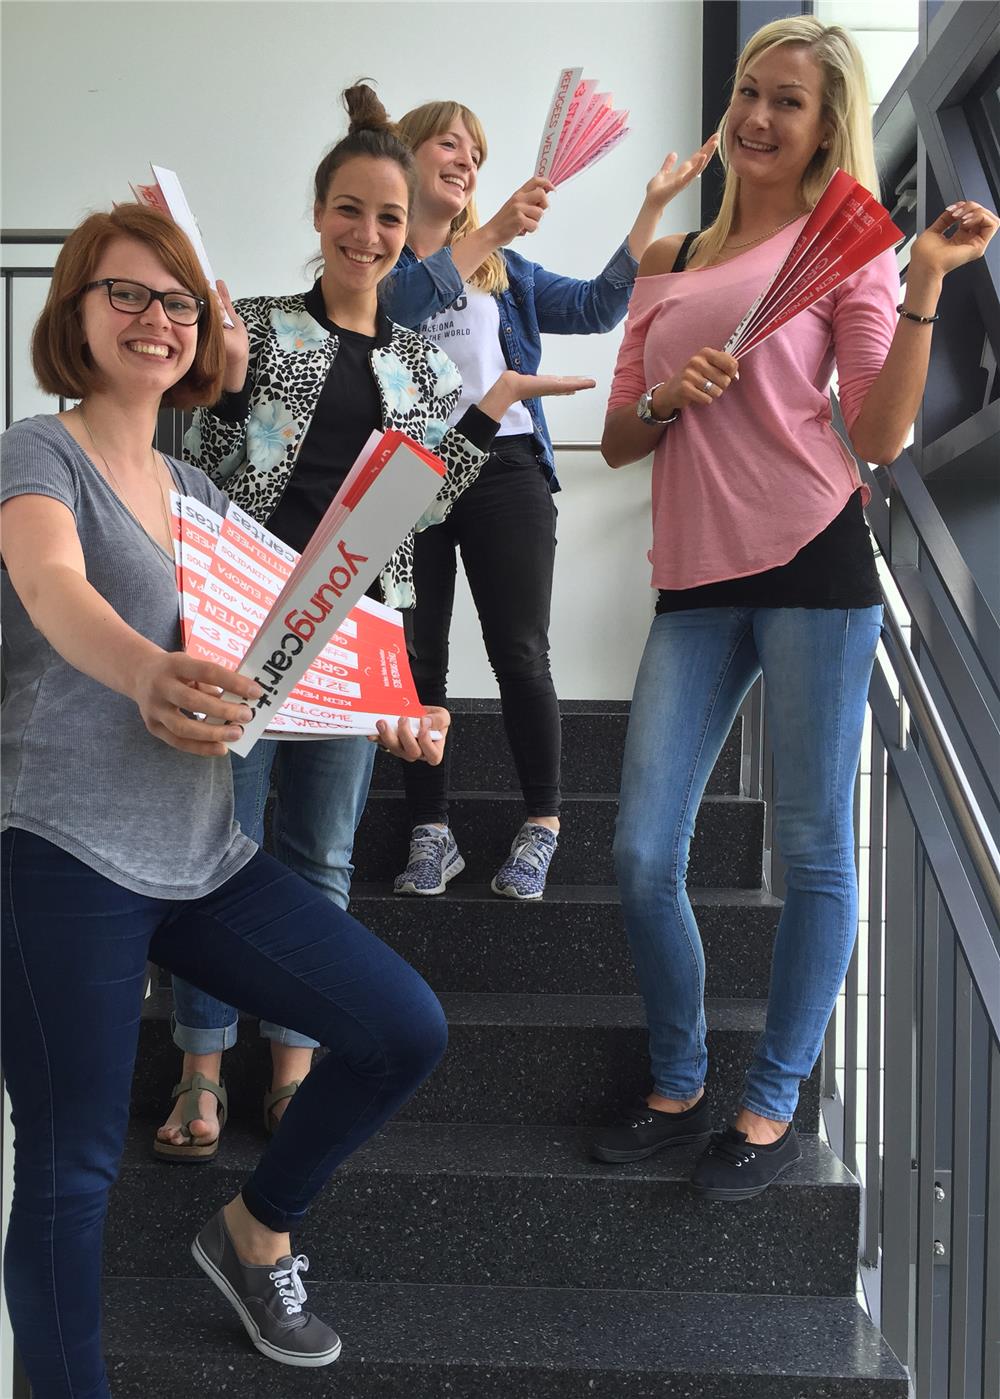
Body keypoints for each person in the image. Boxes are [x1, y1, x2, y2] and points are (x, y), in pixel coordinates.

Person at [0, 200, 462, 1393]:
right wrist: (147, 669)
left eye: (180, 301)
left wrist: (387, 708)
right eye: (128, 294)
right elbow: (53, 588)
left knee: (398, 1026)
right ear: (77, 314)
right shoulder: (36, 452)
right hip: (61, 850)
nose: (157, 319)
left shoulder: (198, 497)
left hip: (204, 856)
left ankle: (255, 1227)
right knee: (72, 1167)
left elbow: (287, 640)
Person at [592, 16, 997, 1198]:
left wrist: (920, 278)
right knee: (636, 850)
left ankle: (768, 1105)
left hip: (815, 555)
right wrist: (666, 394)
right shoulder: (663, 262)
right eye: (746, 93)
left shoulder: (852, 251)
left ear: (828, 129)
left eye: (788, 103)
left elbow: (874, 436)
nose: (757, 119)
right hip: (696, 576)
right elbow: (620, 437)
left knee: (819, 850)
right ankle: (677, 1080)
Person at [159, 84, 594, 1159]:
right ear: (319, 215)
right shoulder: (253, 331)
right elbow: (191, 450)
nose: (367, 235)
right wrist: (200, 357)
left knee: (318, 856)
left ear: (411, 237)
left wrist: (487, 415)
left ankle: (296, 1063)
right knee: (218, 849)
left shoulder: (420, 370)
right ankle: (202, 1072)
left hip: (349, 638)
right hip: (238, 621)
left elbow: (421, 507)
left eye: (388, 220)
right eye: (349, 211)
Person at [383, 99, 717, 901]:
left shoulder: (508, 274)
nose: (466, 160)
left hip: (504, 468)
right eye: (449, 143)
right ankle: (431, 830)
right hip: (407, 473)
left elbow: (601, 306)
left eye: (477, 151)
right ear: (404, 154)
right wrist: (489, 230)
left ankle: (542, 825)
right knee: (416, 658)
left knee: (520, 652)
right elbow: (396, 313)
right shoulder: (383, 260)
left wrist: (651, 209)